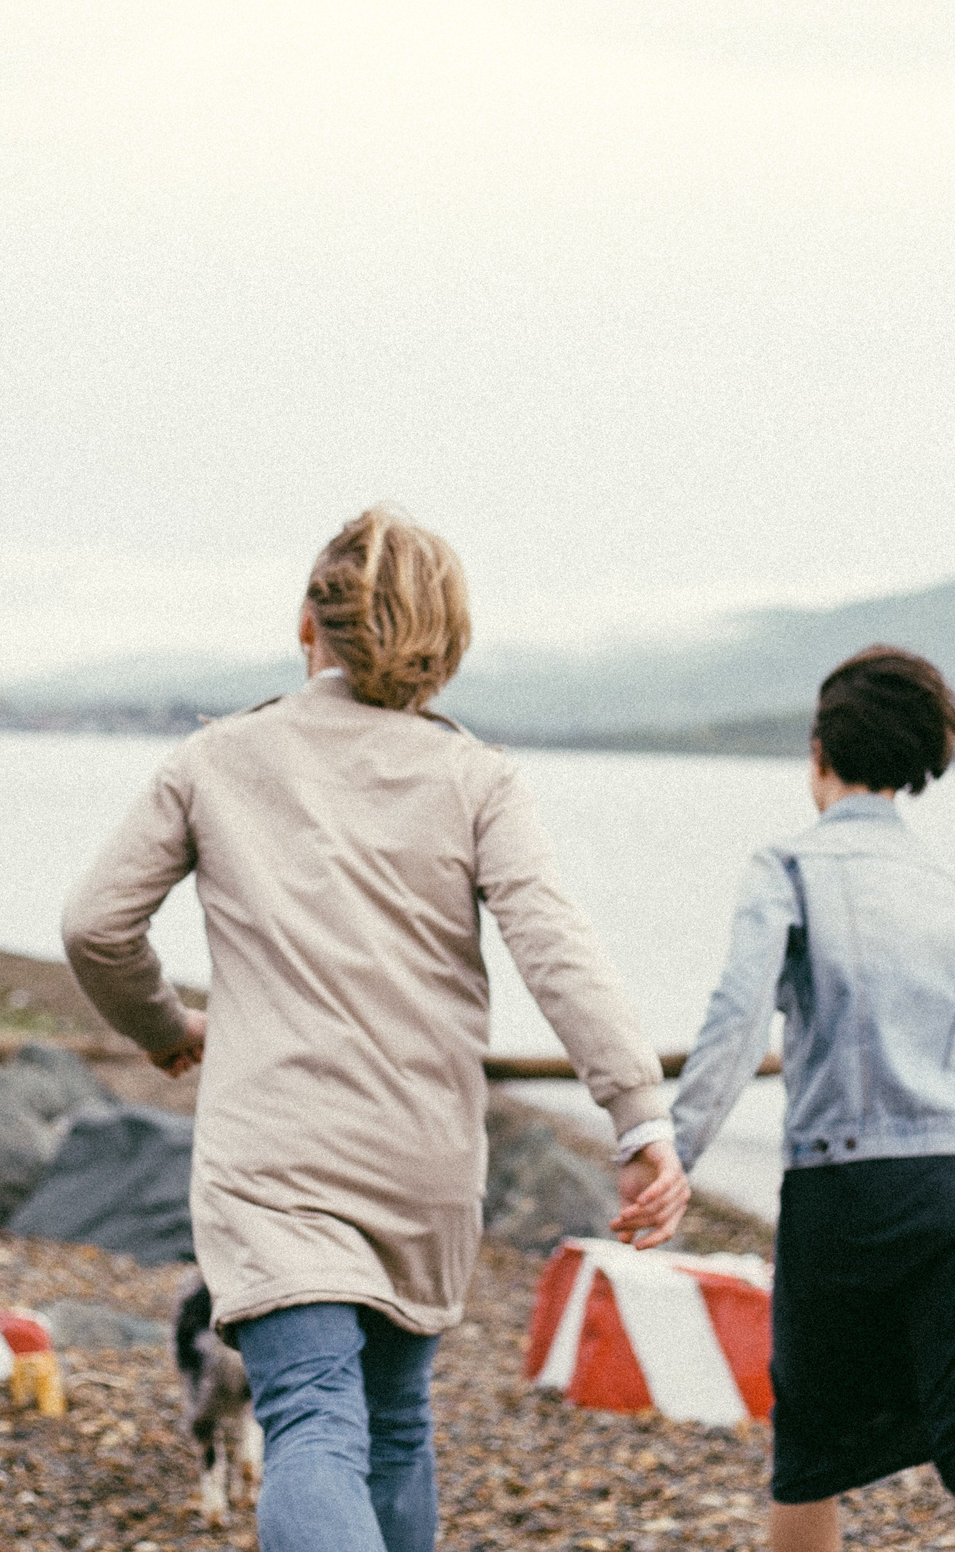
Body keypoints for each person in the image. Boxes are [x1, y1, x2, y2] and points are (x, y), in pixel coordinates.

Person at [61, 504, 690, 1552]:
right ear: (446, 644)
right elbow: (556, 949)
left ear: (307, 625)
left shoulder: (215, 759)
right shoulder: (476, 776)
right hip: (419, 1158)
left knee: (311, 1419)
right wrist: (638, 1117)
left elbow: (95, 926)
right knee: (393, 1426)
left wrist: (162, 1025)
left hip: (275, 1155)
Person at [670, 646, 955, 1552]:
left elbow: (736, 1022)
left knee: (812, 1447)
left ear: (818, 752)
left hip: (848, 1192)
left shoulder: (788, 865)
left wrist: (673, 1153)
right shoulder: (951, 890)